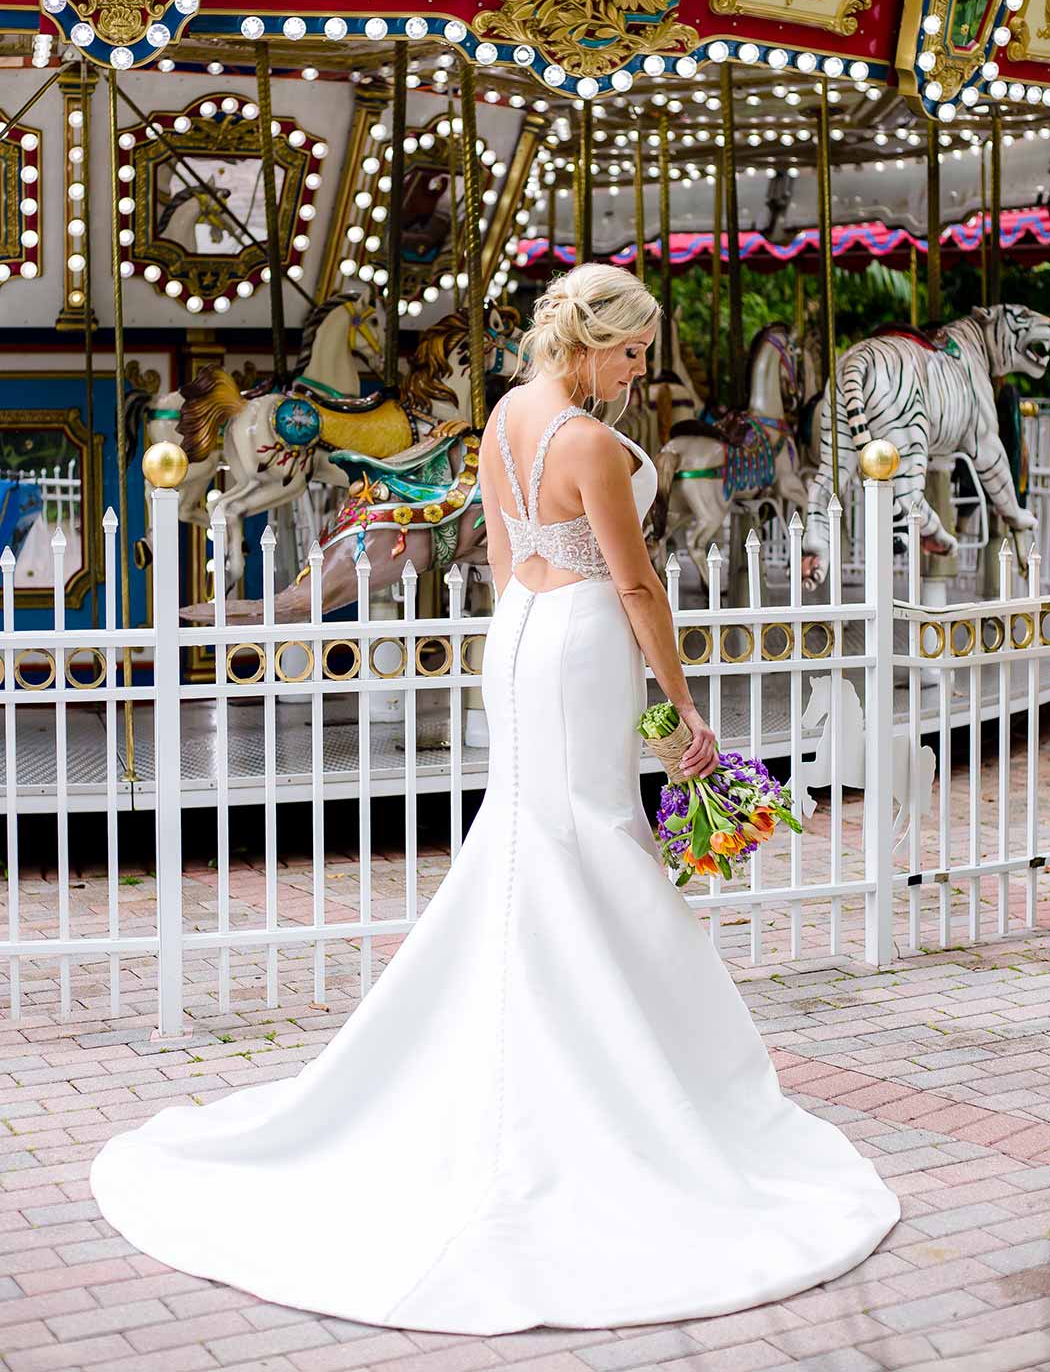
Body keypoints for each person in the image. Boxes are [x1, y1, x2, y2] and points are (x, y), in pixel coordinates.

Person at [90, 263, 900, 1335]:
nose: (641, 370)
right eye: (632, 350)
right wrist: (684, 710)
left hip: (519, 637)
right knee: (589, 836)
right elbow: (638, 583)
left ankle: (569, 1045)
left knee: (536, 837)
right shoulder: (587, 444)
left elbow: (514, 557)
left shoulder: (509, 418)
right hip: (582, 644)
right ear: (588, 341)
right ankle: (618, 1079)